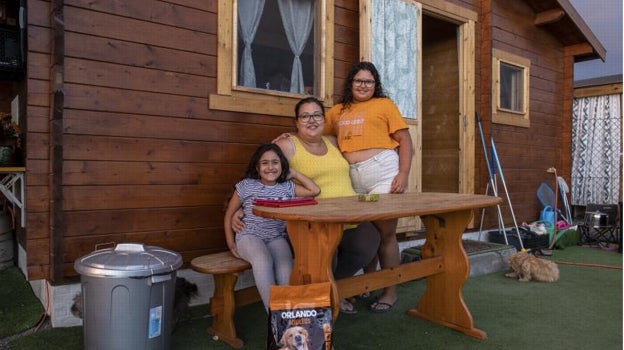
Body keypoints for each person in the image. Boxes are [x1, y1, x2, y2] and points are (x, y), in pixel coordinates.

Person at [233, 97, 381, 314]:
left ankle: (334, 289)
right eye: (305, 116)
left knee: (370, 240)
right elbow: (261, 172)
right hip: (312, 221)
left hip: (346, 215)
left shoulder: (333, 141)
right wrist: (238, 206)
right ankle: (326, 302)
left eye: (316, 115)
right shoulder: (286, 144)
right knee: (327, 251)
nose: (311, 120)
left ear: (323, 118)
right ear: (296, 122)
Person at [324, 61, 414, 313]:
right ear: (351, 83)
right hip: (351, 176)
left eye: (369, 81)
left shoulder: (384, 105)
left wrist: (404, 173)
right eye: (359, 81)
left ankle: (390, 291)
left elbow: (405, 140)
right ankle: (366, 285)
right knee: (365, 233)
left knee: (385, 232)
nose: (363, 85)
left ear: (376, 85)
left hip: (383, 170)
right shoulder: (337, 111)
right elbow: (318, 133)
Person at [224, 143, 320, 312]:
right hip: (249, 235)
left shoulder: (287, 187)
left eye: (275, 162)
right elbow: (229, 214)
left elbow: (314, 190)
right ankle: (275, 316)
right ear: (257, 167)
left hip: (276, 237)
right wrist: (231, 243)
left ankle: (288, 314)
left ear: (282, 165)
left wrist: (295, 173)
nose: (270, 167)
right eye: (265, 163)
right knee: (263, 260)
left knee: (286, 269)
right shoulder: (247, 185)